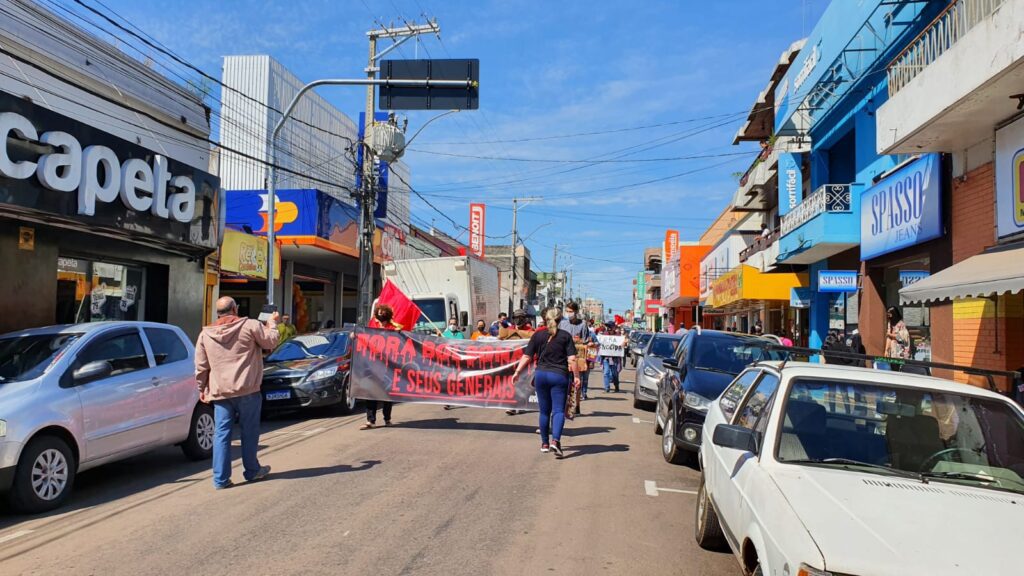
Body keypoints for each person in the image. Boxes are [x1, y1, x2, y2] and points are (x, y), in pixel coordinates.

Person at [195, 297, 279, 490]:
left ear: (218, 313)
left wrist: (202, 388)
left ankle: (220, 479)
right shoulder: (249, 325)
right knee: (249, 432)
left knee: (221, 435)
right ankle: (252, 471)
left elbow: (201, 366)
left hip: (221, 392)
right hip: (248, 389)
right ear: (235, 308)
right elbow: (271, 341)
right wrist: (272, 324)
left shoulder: (205, 334)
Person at [512, 307, 580, 458]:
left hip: (541, 375)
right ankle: (555, 441)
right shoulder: (565, 336)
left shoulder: (538, 335)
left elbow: (527, 356)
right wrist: (576, 376)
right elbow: (572, 359)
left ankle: (544, 443)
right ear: (560, 319)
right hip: (559, 376)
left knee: (544, 411)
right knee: (558, 410)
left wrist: (517, 372)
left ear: (545, 319)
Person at [363, 304, 398, 429]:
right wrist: (355, 336)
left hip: (388, 367)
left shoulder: (393, 328)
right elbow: (363, 337)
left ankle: (387, 419)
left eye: (383, 312)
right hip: (373, 365)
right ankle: (370, 420)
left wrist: (399, 334)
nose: (380, 314)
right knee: (371, 393)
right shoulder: (372, 326)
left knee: (386, 395)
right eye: (379, 312)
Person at [558, 302, 590, 417]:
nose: (569, 313)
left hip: (577, 358)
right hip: (564, 358)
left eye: (571, 311)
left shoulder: (582, 324)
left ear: (576, 312)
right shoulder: (562, 323)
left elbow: (586, 342)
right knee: (564, 382)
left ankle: (576, 406)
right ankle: (564, 406)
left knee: (576, 383)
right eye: (567, 311)